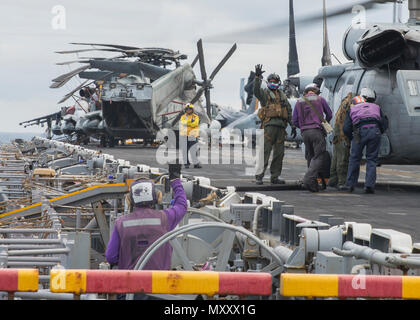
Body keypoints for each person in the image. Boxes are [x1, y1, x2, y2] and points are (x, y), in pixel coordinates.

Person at [105, 163, 187, 271]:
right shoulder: (166, 218)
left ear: (129, 200)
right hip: (159, 283)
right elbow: (181, 205)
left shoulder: (121, 223)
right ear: (157, 197)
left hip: (130, 283)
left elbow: (111, 257)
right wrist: (175, 181)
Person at [253, 64, 297, 185]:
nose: (273, 83)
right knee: (264, 152)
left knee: (279, 154)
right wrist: (257, 77)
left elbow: (288, 110)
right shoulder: (265, 94)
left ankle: (275, 177)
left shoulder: (282, 96)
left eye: (275, 81)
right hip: (268, 127)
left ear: (278, 82)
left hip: (281, 128)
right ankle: (259, 176)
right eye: (271, 81)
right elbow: (256, 91)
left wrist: (292, 125)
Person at [342, 88, 388, 194]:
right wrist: (379, 132)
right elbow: (384, 123)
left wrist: (351, 137)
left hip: (359, 132)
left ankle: (350, 185)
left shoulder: (353, 108)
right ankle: (369, 186)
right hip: (375, 131)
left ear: (362, 96)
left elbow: (346, 128)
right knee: (371, 159)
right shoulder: (377, 107)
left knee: (354, 159)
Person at [292, 83, 333, 192]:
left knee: (310, 156)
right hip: (316, 131)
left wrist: (303, 126)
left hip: (304, 133)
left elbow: (295, 120)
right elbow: (329, 114)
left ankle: (313, 184)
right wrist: (325, 123)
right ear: (315, 90)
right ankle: (308, 180)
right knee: (319, 156)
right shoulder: (320, 99)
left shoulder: (299, 101)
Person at [328, 92, 354, 190]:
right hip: (342, 134)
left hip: (337, 132)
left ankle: (333, 180)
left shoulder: (344, 102)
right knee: (343, 159)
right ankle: (342, 182)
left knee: (335, 158)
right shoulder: (350, 104)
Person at [179, 103, 201, 169]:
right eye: (187, 109)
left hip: (193, 136)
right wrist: (190, 123)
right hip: (184, 135)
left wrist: (187, 123)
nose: (188, 110)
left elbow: (195, 124)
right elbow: (183, 123)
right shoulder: (183, 117)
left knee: (193, 151)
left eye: (190, 109)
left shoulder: (196, 117)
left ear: (192, 110)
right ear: (185, 110)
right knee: (184, 151)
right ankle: (186, 164)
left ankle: (196, 164)